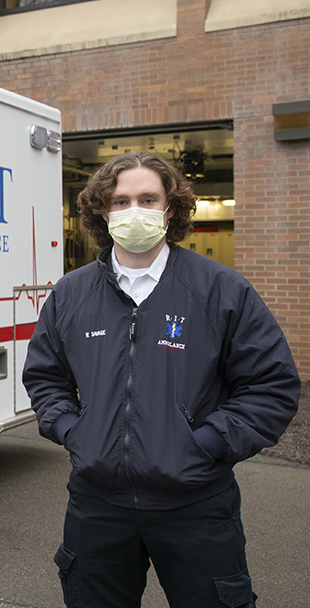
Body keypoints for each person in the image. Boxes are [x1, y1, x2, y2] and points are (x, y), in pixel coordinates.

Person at [22, 152, 300, 608]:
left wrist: (206, 443)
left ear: (170, 210)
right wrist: (75, 431)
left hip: (197, 506)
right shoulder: (70, 294)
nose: (135, 211)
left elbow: (271, 386)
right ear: (101, 211)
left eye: (148, 198)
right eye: (121, 200)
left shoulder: (220, 290)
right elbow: (45, 376)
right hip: (98, 505)